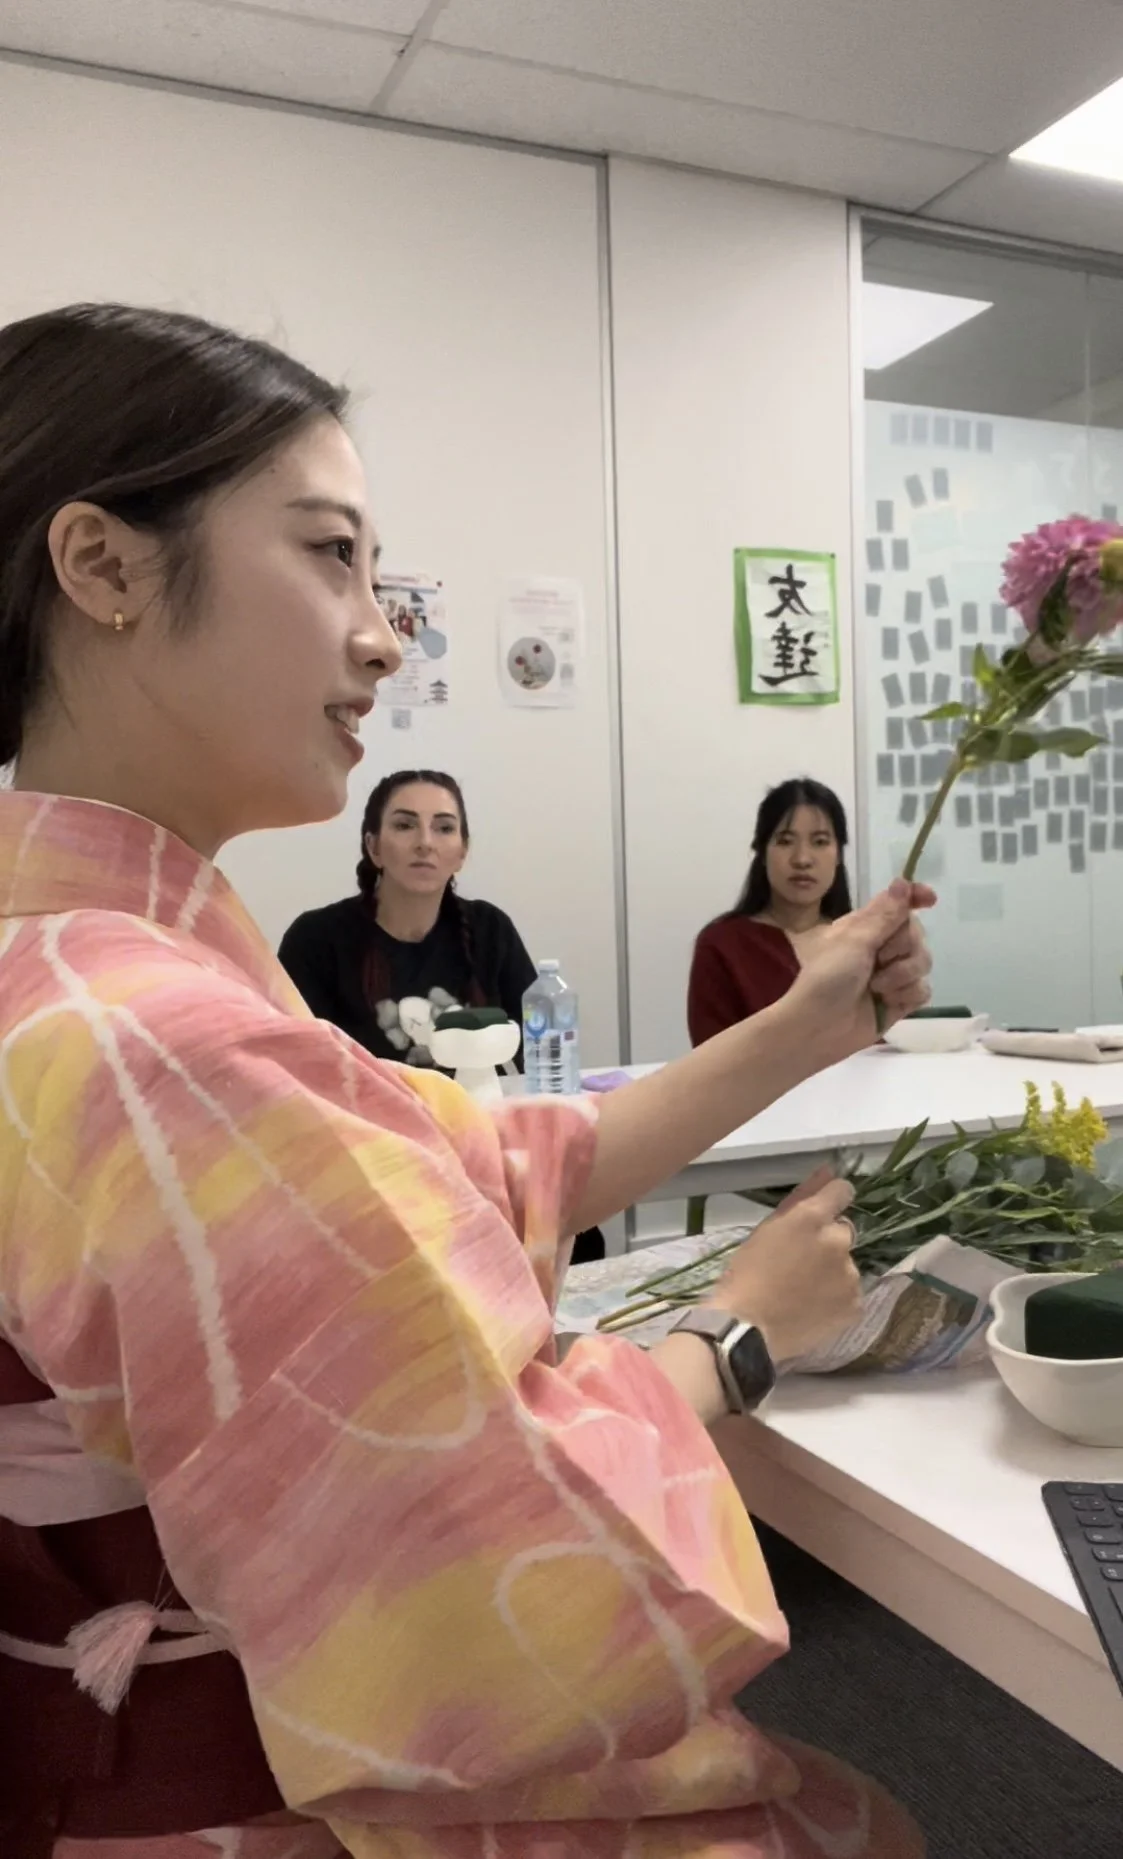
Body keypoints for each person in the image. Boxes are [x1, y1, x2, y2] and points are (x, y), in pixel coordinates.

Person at [0, 302, 933, 1859]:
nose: (384, 631)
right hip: (238, 1792)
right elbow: (480, 1519)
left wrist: (801, 1019)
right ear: (99, 567)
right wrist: (742, 1329)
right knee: (868, 1826)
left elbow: (491, 1157)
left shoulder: (81, 964)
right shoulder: (158, 1032)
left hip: (77, 1775)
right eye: (329, 555)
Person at [278, 770, 536, 1069]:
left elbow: (539, 1045)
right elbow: (298, 1068)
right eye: (404, 825)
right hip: (362, 1114)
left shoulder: (490, 929)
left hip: (478, 1111)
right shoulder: (315, 939)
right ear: (373, 847)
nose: (425, 842)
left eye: (444, 828)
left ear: (462, 852)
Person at [689, 777, 853, 1046]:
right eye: (785, 841)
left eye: (820, 841)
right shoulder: (722, 945)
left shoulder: (863, 942)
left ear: (838, 855)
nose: (802, 859)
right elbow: (710, 1061)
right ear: (762, 853)